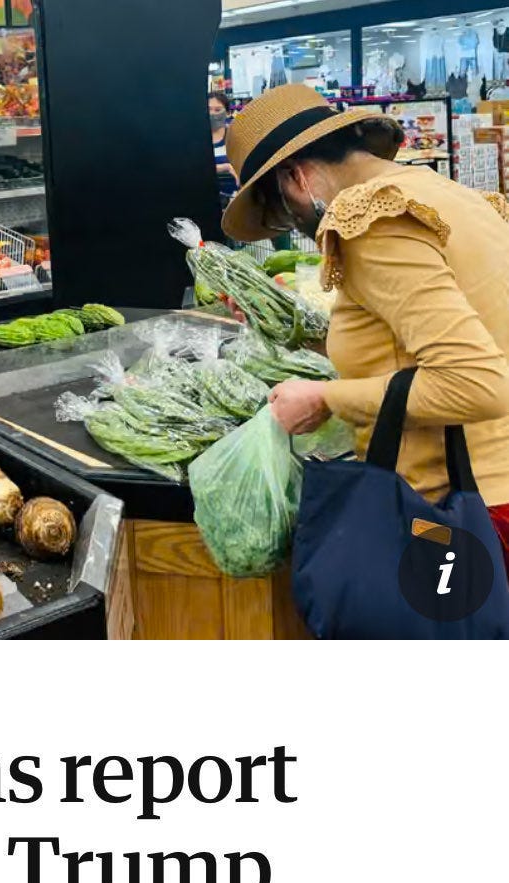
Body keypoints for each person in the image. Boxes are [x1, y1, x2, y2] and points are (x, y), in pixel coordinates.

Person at [220, 84, 509, 570]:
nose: (298, 227)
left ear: (296, 178)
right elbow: (411, 343)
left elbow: (477, 383)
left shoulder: (372, 221)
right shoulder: (440, 194)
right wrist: (289, 330)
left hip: (460, 509)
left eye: (284, 214)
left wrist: (324, 399)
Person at [209, 92, 238, 207]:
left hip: (233, 202)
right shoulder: (194, 140)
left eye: (217, 110)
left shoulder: (236, 138)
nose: (212, 114)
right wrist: (224, 167)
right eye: (209, 109)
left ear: (228, 113)